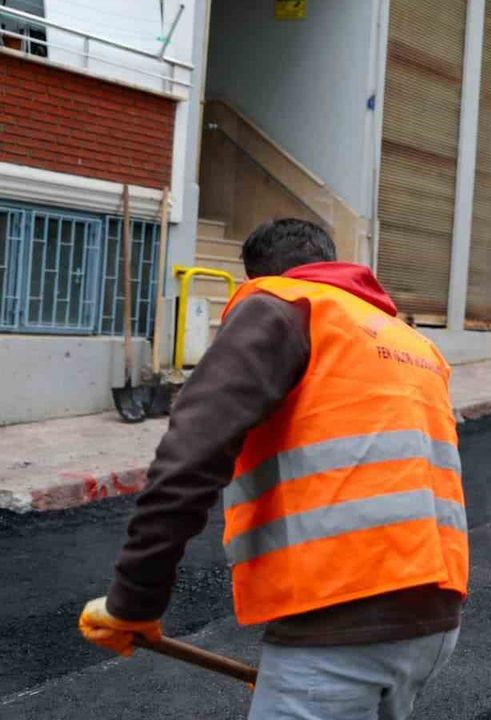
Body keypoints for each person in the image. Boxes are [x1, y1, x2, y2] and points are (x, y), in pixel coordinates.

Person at [78, 219, 467, 720]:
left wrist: (133, 602)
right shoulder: (409, 341)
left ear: (256, 277)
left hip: (338, 622)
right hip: (434, 623)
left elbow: (189, 458)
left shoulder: (280, 306)